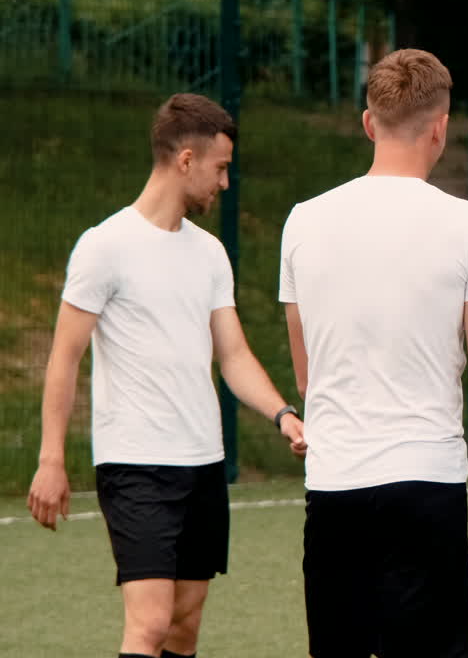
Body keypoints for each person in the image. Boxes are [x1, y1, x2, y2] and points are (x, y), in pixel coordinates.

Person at [26, 93, 306, 658]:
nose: (224, 184)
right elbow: (64, 358)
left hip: (202, 463)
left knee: (183, 624)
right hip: (135, 464)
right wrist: (51, 459)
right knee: (150, 622)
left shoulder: (209, 254)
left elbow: (233, 356)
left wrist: (283, 414)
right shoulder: (104, 246)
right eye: (220, 168)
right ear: (185, 160)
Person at [279, 48, 468, 658]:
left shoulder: (302, 222)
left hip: (335, 486)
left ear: (369, 123)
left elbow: (308, 377)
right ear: (441, 127)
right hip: (426, 487)